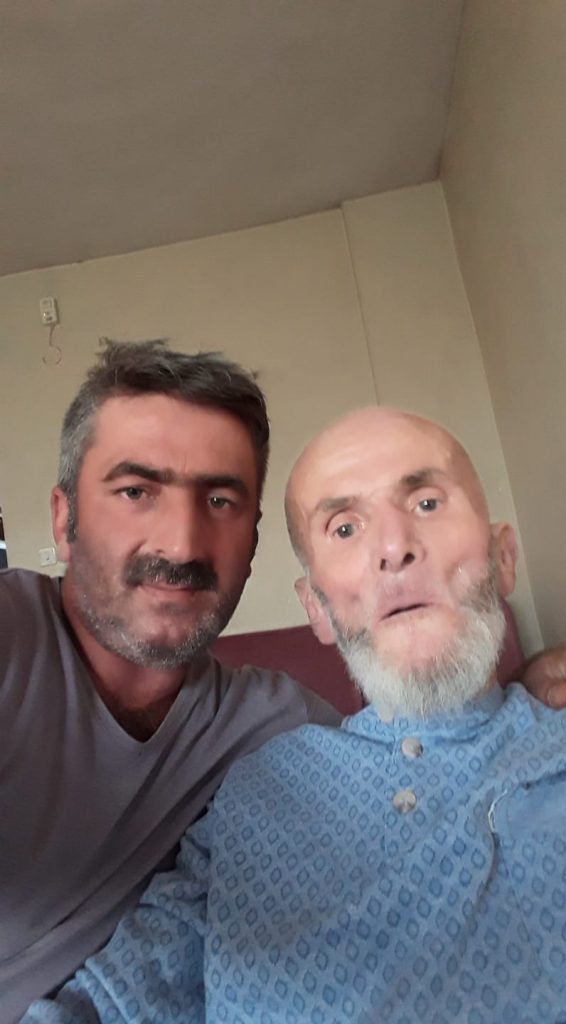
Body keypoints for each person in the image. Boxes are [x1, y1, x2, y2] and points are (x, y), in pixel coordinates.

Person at [23, 407, 566, 1024]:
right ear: (316, 607)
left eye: (426, 503)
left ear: (504, 557)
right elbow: (118, 998)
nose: (394, 547)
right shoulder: (255, 788)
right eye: (345, 528)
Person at [0, 340, 340, 1024]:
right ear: (64, 520)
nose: (182, 544)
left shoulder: (275, 728)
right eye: (136, 491)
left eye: (219, 500)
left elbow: (434, 771)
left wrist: (541, 683)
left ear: (253, 543)